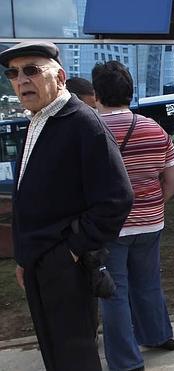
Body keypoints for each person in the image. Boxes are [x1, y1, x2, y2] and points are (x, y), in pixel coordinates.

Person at [0, 41, 133, 370]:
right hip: (40, 261)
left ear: (59, 76)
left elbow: (117, 199)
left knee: (74, 356)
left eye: (32, 70)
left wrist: (71, 250)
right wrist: (24, 256)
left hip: (65, 264)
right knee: (55, 350)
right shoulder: (38, 119)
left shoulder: (83, 123)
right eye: (13, 73)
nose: (21, 80)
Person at [92, 60, 174, 371]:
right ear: (130, 92)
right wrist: (157, 203)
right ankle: (159, 335)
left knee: (113, 292)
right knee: (148, 283)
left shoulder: (91, 128)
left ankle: (127, 361)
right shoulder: (153, 128)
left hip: (109, 228)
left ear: (96, 94)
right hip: (151, 222)